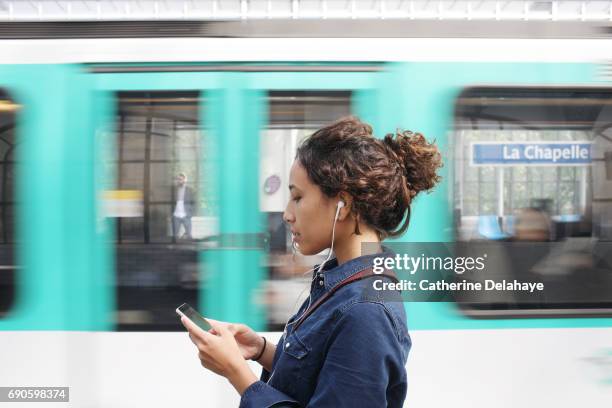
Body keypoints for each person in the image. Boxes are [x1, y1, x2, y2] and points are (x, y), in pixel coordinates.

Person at [180, 116, 443, 407]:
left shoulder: (365, 312)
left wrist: (237, 372)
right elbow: (321, 371)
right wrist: (260, 349)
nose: (286, 214)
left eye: (298, 197)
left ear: (342, 205)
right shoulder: (341, 283)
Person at [172, 172, 196, 240]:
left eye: (182, 179)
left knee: (189, 235)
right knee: (175, 236)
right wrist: (172, 213)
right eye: (179, 179)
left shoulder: (190, 190)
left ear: (185, 180)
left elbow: (194, 202)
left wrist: (191, 214)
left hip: (186, 215)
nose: (180, 181)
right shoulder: (174, 189)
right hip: (176, 215)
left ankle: (190, 249)